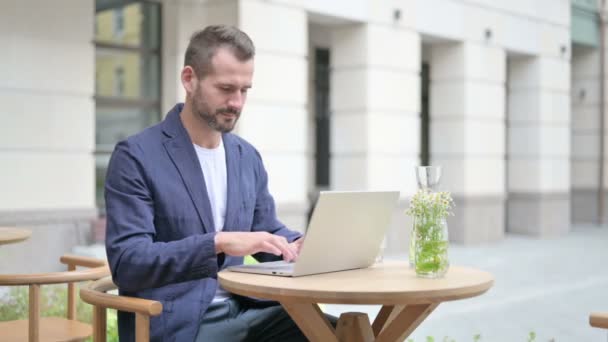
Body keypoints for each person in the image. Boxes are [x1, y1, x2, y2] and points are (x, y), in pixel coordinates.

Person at [105, 25, 331, 342]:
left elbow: (266, 230)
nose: (237, 102)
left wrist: (303, 247)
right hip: (180, 322)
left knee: (341, 332)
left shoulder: (245, 156)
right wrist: (217, 243)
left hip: (249, 309)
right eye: (226, 88)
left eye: (245, 90)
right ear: (189, 79)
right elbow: (129, 263)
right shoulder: (137, 156)